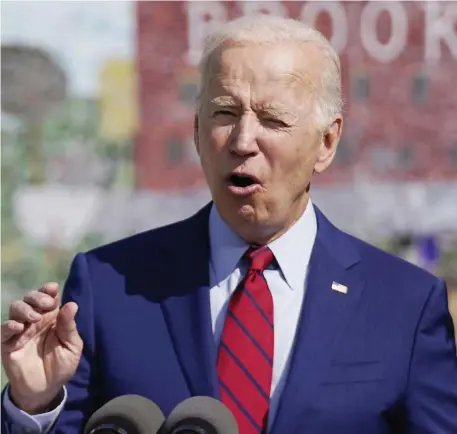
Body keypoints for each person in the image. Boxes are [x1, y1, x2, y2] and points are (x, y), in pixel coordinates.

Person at [2, 15, 457, 434]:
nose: (242, 141)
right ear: (197, 130)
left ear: (327, 142)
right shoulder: (110, 285)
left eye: (273, 120)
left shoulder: (405, 305)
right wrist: (35, 402)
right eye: (224, 113)